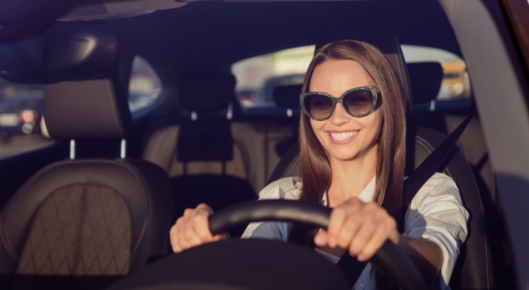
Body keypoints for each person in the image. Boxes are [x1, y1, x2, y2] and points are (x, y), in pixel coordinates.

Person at [169, 39, 468, 290]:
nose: (337, 118)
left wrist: (391, 244)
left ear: (386, 104)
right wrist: (213, 247)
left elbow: (436, 257)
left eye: (358, 99)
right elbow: (251, 265)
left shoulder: (431, 191)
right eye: (321, 103)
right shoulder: (281, 197)